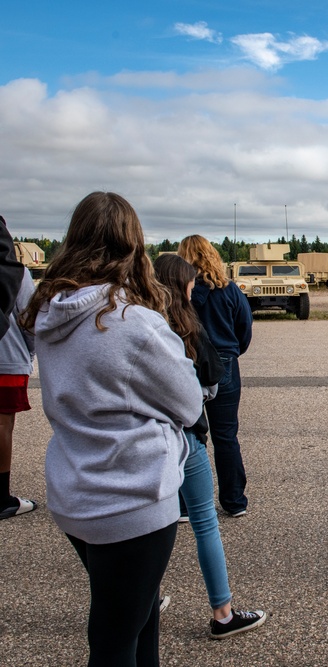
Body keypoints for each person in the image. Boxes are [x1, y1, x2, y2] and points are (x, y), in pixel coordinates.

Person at [23, 192, 203, 666]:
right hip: (132, 498)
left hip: (75, 489)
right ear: (132, 245)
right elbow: (187, 403)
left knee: (134, 614)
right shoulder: (133, 323)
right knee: (115, 634)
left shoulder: (48, 314)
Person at [153, 254, 267, 639]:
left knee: (152, 523)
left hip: (146, 437)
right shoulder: (189, 321)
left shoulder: (140, 320)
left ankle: (143, 596)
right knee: (207, 518)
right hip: (186, 429)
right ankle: (223, 613)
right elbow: (242, 330)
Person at [177, 235, 253, 517]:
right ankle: (234, 501)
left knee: (187, 434)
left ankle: (185, 505)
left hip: (187, 363)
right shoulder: (230, 291)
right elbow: (244, 329)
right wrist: (231, 353)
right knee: (226, 435)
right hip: (224, 363)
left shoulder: (178, 294)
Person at [0, 264, 37, 520]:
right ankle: (1, 497)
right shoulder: (15, 271)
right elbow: (29, 317)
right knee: (2, 426)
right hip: (6, 356)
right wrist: (30, 353)